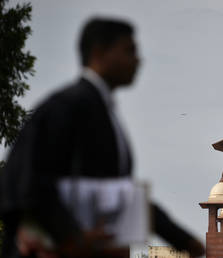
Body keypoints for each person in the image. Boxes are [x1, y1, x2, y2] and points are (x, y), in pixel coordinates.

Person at [0, 17, 204, 258]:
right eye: (129, 50)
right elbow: (27, 180)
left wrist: (182, 239)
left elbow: (121, 195)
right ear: (99, 52)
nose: (138, 60)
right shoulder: (66, 106)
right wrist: (70, 236)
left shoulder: (103, 113)